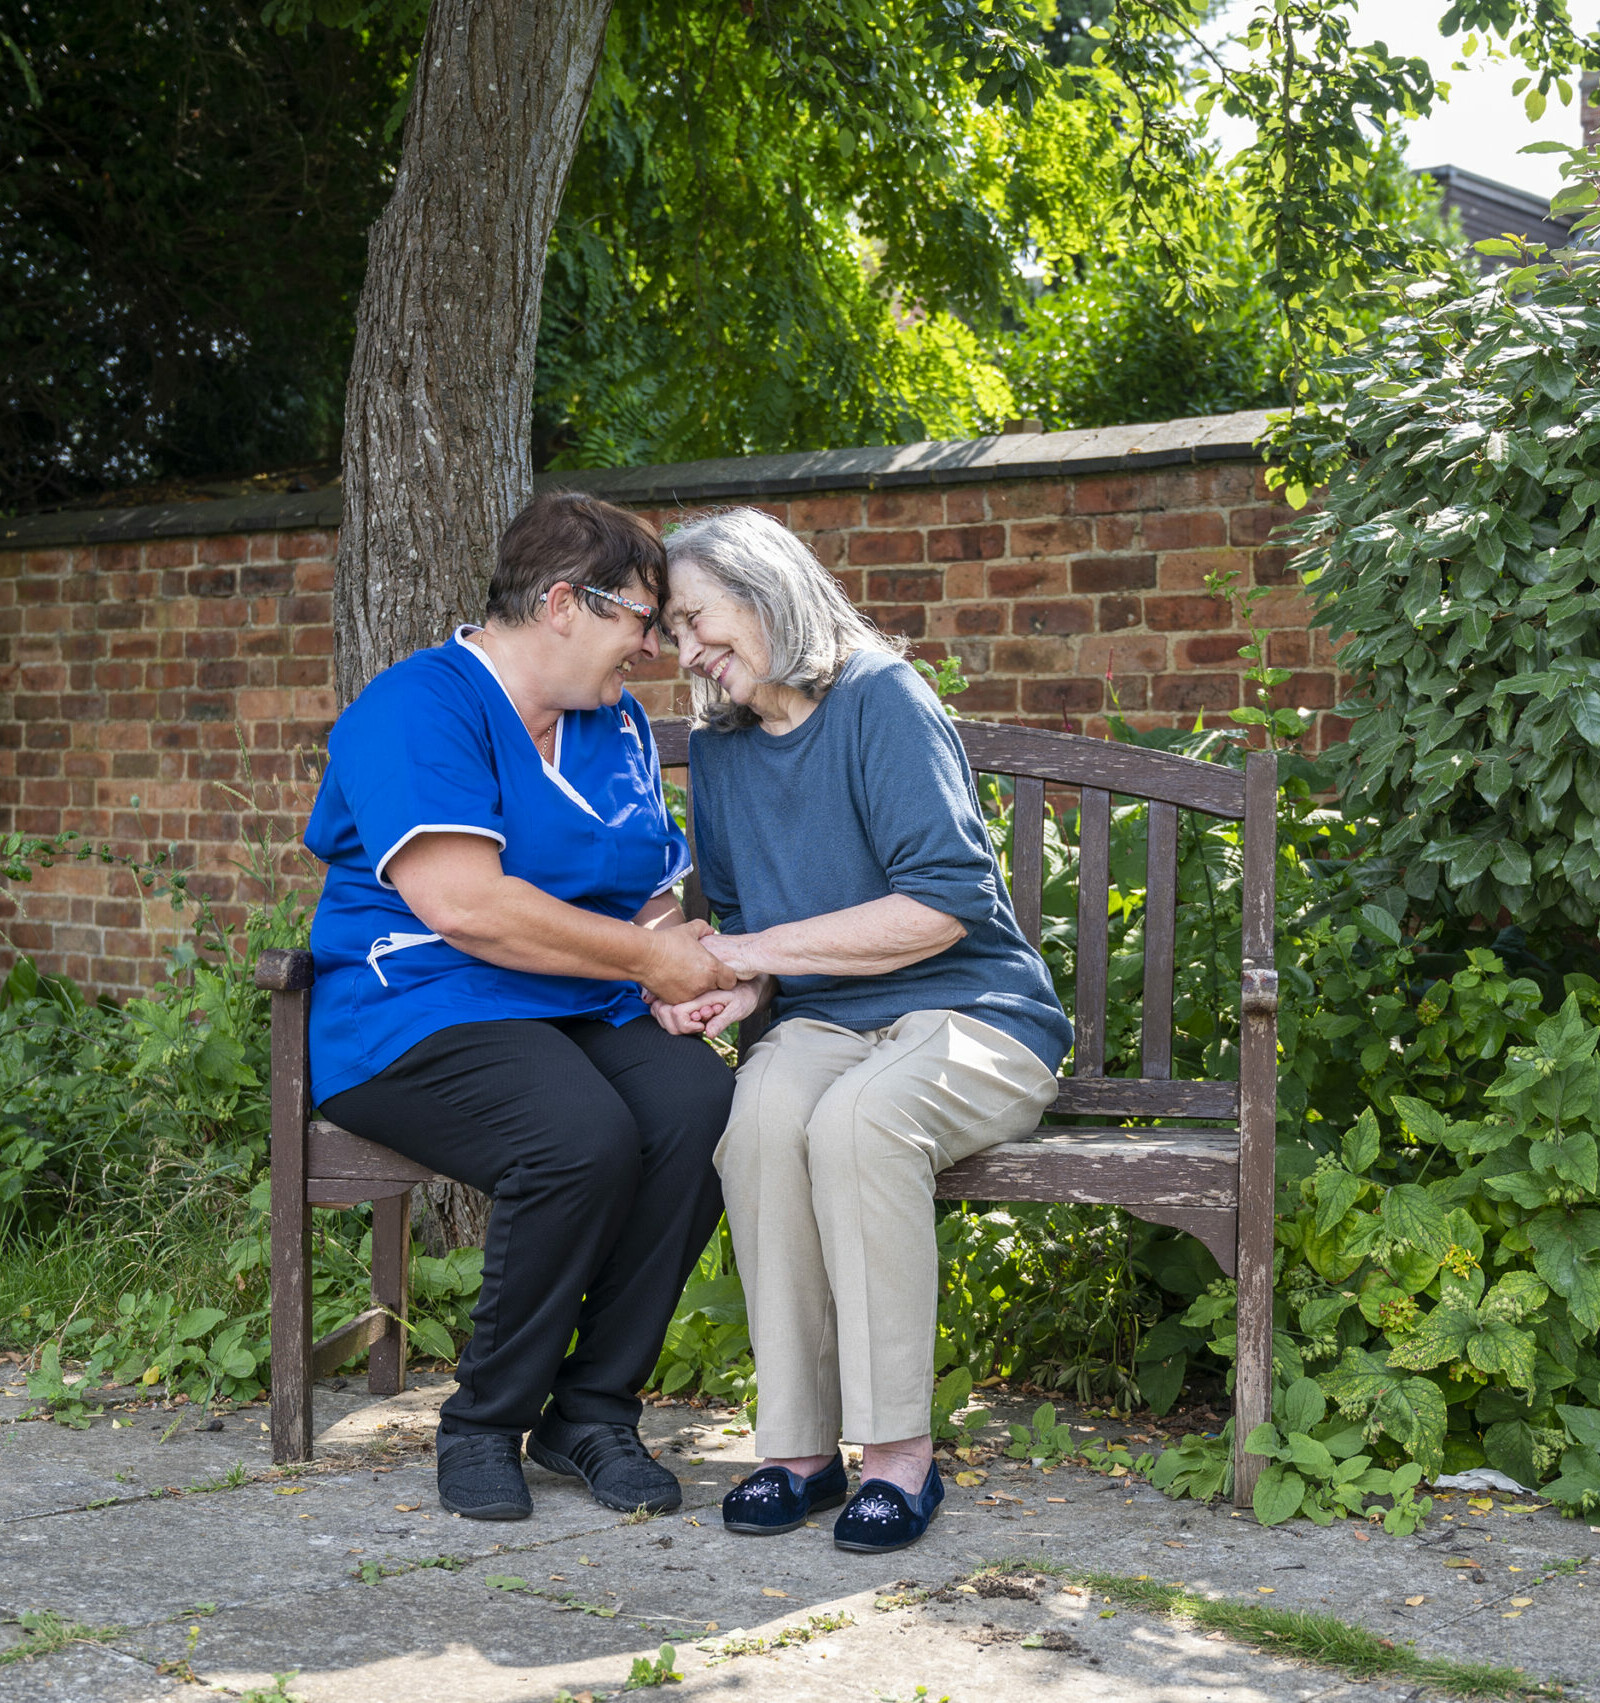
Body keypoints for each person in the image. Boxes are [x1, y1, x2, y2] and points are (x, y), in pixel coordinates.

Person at [304, 491, 739, 1523]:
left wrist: (669, 961)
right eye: (639, 618)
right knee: (576, 1135)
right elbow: (462, 903)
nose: (650, 648)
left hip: (574, 1002)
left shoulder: (612, 721)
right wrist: (646, 958)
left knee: (699, 1113)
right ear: (561, 603)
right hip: (414, 1001)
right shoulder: (415, 707)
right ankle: (484, 1422)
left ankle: (591, 1411)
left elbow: (643, 875)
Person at [650, 508, 1072, 1555]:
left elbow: (940, 906)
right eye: (670, 630)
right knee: (756, 1116)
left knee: (860, 1122)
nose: (686, 648)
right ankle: (796, 1450)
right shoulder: (722, 746)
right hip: (827, 1019)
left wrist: (746, 958)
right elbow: (757, 930)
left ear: (765, 590)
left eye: (698, 617)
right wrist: (733, 990)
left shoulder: (882, 697)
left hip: (972, 1016)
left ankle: (896, 1454)